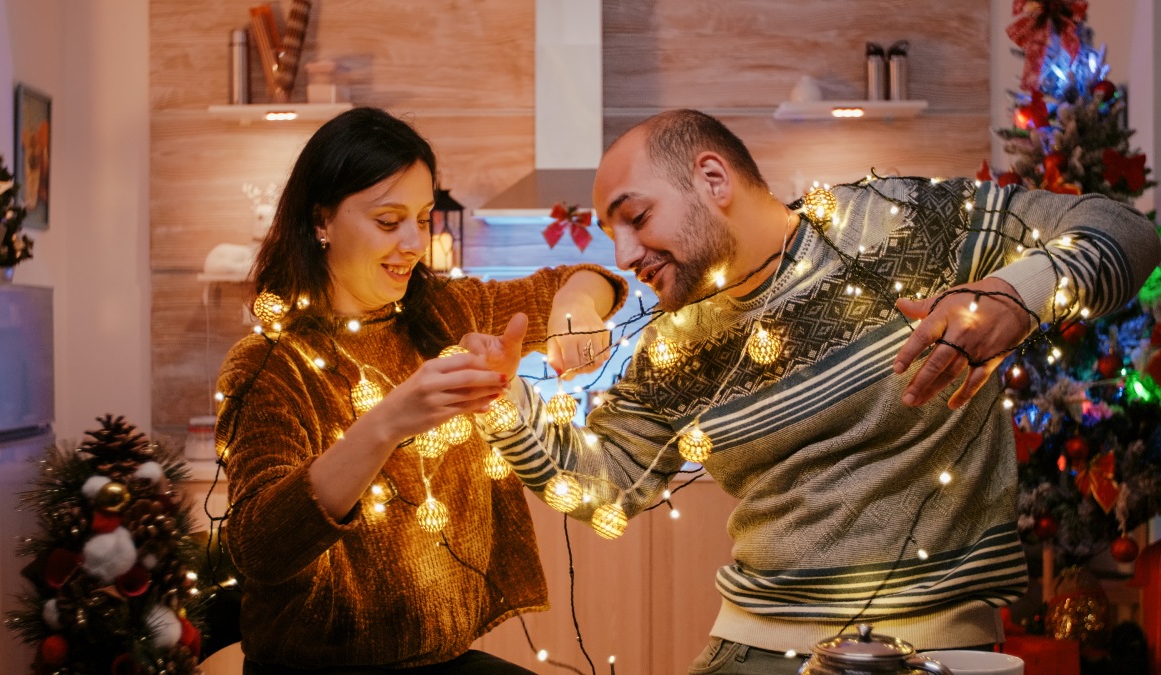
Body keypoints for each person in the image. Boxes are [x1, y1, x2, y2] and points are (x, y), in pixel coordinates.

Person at [462, 109, 1161, 674]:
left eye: (636, 217)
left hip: (940, 648)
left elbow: (1127, 229)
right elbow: (606, 488)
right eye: (610, 233)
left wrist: (1015, 295)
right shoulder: (672, 347)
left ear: (711, 176)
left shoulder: (903, 223)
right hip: (755, 650)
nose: (622, 254)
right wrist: (502, 402)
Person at [213, 107, 626, 674]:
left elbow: (583, 279)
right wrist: (388, 423)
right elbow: (260, 549)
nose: (414, 242)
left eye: (424, 218)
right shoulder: (269, 366)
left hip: (440, 661)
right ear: (320, 222)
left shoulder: (444, 312)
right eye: (389, 221)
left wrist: (577, 310)